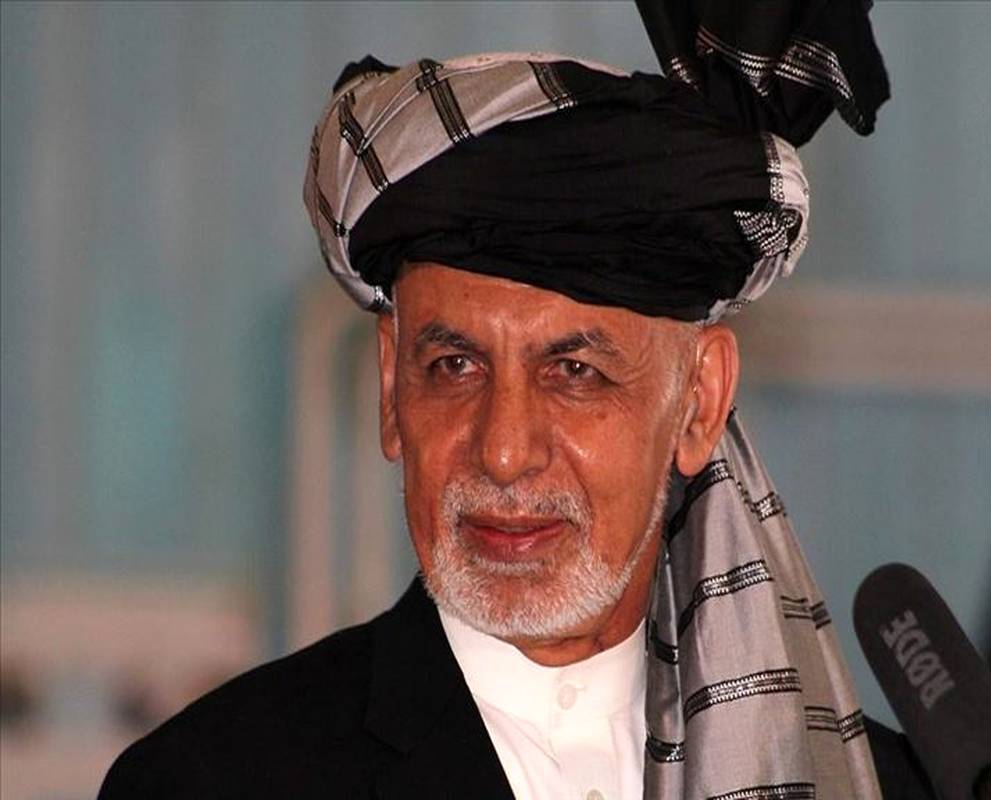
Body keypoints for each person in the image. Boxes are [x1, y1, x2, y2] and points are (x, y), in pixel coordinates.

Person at [101, 4, 935, 798]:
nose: (503, 451)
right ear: (391, 387)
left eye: (574, 372)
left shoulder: (873, 784)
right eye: (454, 366)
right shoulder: (216, 781)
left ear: (698, 401)